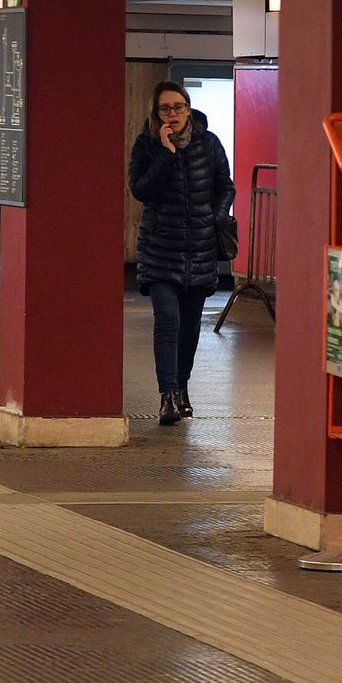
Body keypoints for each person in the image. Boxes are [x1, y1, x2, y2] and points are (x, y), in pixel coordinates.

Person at [128, 80, 234, 426]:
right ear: (156, 113)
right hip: (160, 249)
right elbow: (141, 190)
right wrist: (165, 154)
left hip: (200, 249)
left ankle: (183, 387)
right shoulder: (146, 145)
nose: (172, 114)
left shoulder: (209, 143)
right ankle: (168, 395)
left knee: (189, 329)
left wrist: (214, 217)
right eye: (165, 109)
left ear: (188, 109)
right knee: (168, 323)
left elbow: (225, 187)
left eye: (178, 107)